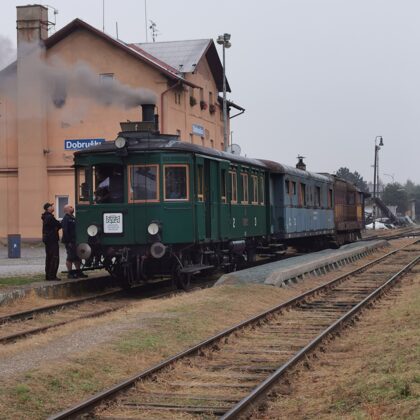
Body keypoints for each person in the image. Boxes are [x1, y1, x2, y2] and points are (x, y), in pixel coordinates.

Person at [61, 204, 88, 279]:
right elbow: (65, 230)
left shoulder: (73, 218)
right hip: (70, 241)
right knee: (70, 257)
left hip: (76, 241)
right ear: (66, 209)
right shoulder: (66, 219)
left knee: (77, 257)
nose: (72, 208)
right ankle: (70, 273)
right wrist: (68, 241)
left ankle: (78, 271)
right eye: (70, 207)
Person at [41, 202, 62, 281]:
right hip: (52, 239)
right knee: (54, 257)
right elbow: (58, 224)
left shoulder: (46, 217)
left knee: (49, 257)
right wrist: (58, 226)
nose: (53, 207)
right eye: (51, 206)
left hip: (49, 239)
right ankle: (52, 276)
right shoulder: (49, 217)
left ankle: (48, 275)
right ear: (48, 208)